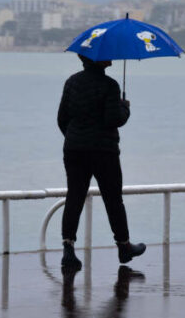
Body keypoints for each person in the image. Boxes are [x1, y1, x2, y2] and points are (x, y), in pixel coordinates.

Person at [57, 54, 146, 273]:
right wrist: (125, 108)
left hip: (74, 150)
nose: (112, 59)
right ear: (97, 60)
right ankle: (124, 246)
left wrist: (74, 137)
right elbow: (113, 119)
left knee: (74, 197)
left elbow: (62, 118)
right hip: (103, 152)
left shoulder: (72, 82)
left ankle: (68, 250)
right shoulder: (110, 86)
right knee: (113, 199)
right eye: (107, 56)